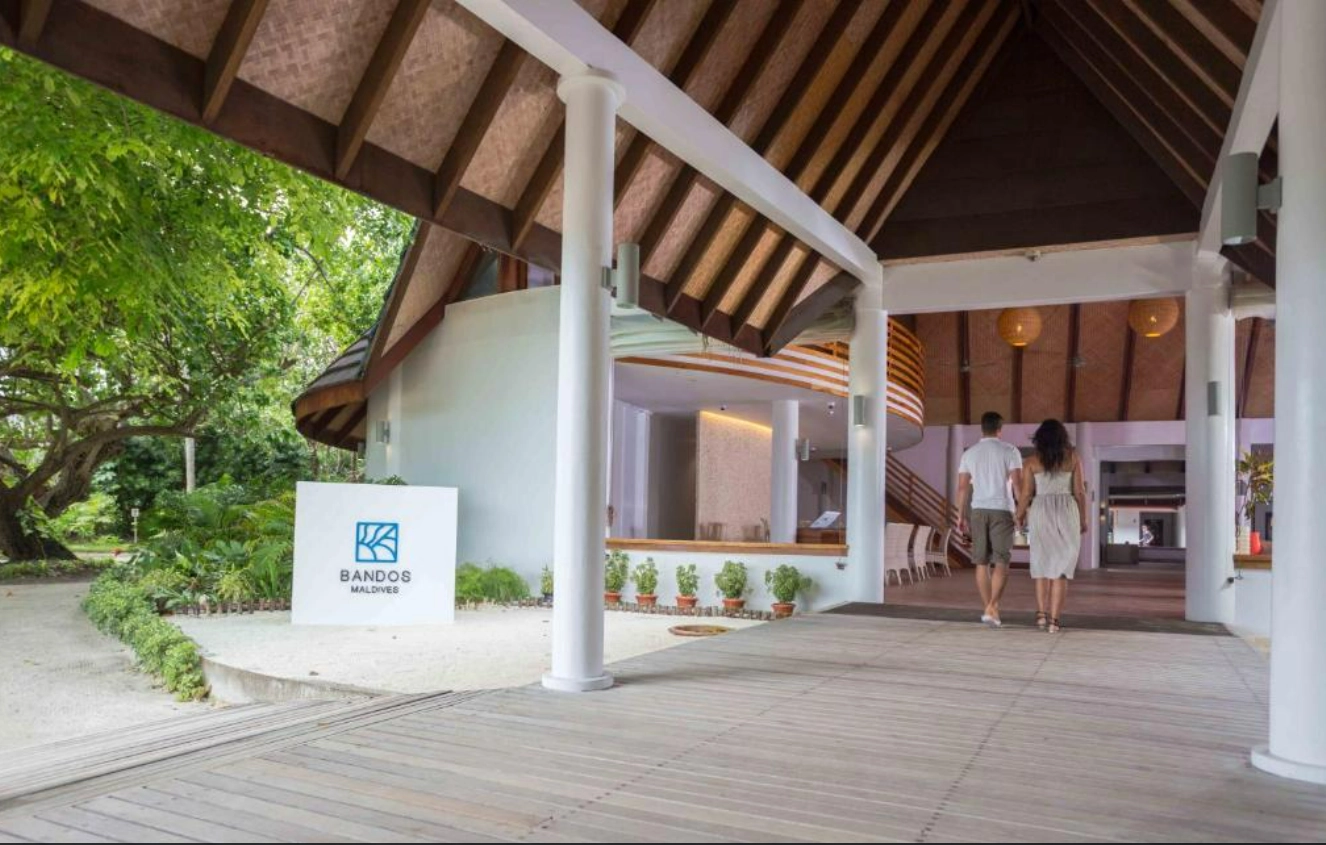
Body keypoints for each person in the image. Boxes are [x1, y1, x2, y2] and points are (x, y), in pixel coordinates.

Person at [1015, 419, 1088, 634]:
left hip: (1041, 511)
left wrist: (1019, 515)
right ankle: (1054, 622)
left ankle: (1041, 616)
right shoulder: (1073, 458)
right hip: (1067, 511)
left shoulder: (1031, 461)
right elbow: (1080, 492)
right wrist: (1083, 518)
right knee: (1061, 569)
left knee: (1041, 565)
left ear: (1039, 438)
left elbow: (1026, 493)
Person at [955, 411, 1023, 628]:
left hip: (978, 511)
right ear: (1000, 430)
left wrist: (960, 515)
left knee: (981, 562)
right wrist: (1020, 512)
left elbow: (962, 488)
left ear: (982, 429)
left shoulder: (969, 454)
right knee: (1002, 561)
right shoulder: (1010, 450)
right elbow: (1018, 485)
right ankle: (993, 607)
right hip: (1002, 511)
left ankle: (989, 609)